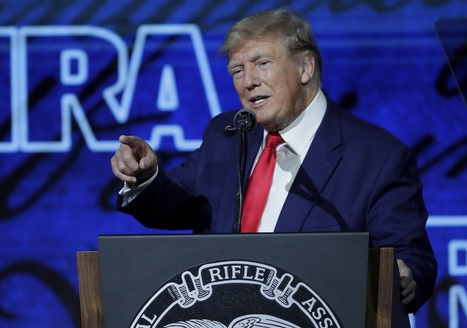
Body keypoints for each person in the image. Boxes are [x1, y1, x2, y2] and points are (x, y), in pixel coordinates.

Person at [110, 8, 436, 312]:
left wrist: (404, 280)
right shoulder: (226, 135)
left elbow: (411, 256)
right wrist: (146, 177)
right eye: (237, 70)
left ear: (305, 68)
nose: (248, 81)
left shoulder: (377, 156)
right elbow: (176, 202)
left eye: (262, 63)